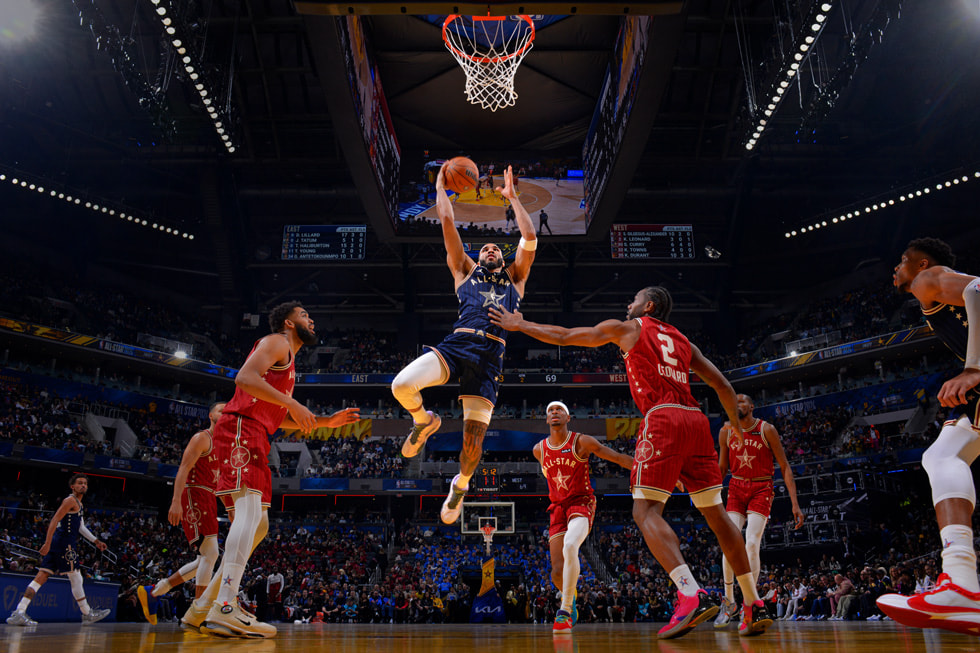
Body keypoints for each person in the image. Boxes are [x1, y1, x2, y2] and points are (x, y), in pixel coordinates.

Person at [490, 286, 772, 638]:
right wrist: (736, 429)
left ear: (648, 306)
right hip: (697, 422)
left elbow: (565, 336)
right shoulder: (684, 341)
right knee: (718, 516)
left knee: (646, 511)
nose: (629, 304)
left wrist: (519, 324)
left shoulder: (631, 328)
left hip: (663, 417)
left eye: (634, 299)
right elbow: (723, 386)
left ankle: (690, 593)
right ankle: (753, 603)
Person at [193, 301, 360, 638]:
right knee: (249, 514)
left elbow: (277, 417)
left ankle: (202, 606)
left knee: (259, 524)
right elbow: (244, 378)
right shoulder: (277, 342)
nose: (311, 319)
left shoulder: (288, 361)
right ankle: (225, 605)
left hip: (255, 431)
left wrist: (325, 422)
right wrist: (293, 402)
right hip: (241, 428)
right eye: (305, 315)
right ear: (289, 322)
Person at [393, 164, 537, 525]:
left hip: (490, 358)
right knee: (401, 385)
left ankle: (461, 484)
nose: (489, 250)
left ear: (502, 257)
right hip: (458, 344)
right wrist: (440, 189)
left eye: (495, 248)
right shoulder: (464, 270)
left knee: (472, 445)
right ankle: (423, 421)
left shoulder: (516, 278)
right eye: (485, 248)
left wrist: (513, 198)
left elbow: (530, 238)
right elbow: (447, 223)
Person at [877, 237, 980, 635]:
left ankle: (961, 587)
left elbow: (978, 288)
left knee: (943, 457)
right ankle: (961, 584)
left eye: (902, 260)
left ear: (920, 264)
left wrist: (973, 368)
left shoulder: (931, 278)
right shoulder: (932, 295)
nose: (896, 268)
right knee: (941, 456)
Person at [537, 400, 633, 632]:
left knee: (571, 545)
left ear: (568, 418)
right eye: (551, 410)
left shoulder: (582, 441)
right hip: (557, 508)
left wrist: (649, 472)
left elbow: (617, 457)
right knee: (557, 573)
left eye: (560, 409)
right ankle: (570, 597)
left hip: (581, 503)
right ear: (547, 419)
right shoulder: (538, 449)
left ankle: (565, 610)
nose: (555, 412)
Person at [713, 394, 805, 627]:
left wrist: (794, 503)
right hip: (736, 486)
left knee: (751, 543)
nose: (737, 404)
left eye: (741, 401)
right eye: (733, 401)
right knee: (729, 542)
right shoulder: (725, 432)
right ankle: (729, 601)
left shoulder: (766, 429)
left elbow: (784, 466)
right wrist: (709, 495)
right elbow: (722, 468)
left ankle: (749, 602)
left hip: (761, 487)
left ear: (752, 407)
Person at [137, 402, 227, 625]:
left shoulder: (224, 445)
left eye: (228, 411)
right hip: (194, 493)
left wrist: (230, 507)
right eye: (221, 410)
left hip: (209, 496)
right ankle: (199, 611)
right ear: (211, 415)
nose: (225, 413)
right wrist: (176, 500)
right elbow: (184, 468)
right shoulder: (202, 438)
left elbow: (220, 483)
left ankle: (155, 591)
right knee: (211, 553)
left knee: (205, 558)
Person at [6, 473, 111, 626]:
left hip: (59, 543)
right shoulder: (70, 500)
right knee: (76, 577)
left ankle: (19, 611)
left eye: (85, 483)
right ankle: (87, 613)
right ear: (72, 486)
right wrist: (47, 543)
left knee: (41, 576)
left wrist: (96, 541)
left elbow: (81, 527)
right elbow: (55, 519)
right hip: (64, 544)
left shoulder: (79, 504)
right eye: (80, 483)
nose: (83, 485)